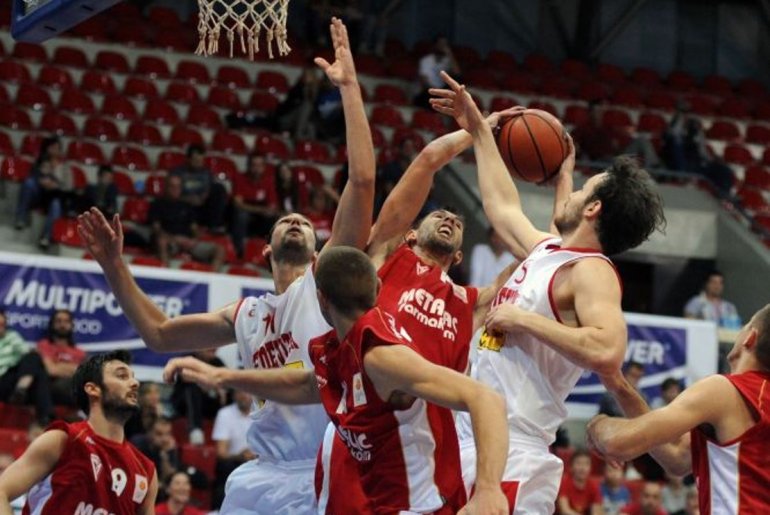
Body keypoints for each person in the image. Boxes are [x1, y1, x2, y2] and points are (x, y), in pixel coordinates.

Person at [78, 17, 375, 514]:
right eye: (286, 220)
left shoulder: (323, 289)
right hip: (259, 474)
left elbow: (362, 182)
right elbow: (158, 333)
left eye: (305, 221)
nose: (297, 221)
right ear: (266, 249)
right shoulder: (246, 316)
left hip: (324, 467)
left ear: (321, 251)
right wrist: (113, 265)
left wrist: (349, 90)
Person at [429, 71, 666, 513]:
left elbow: (608, 349)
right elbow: (501, 207)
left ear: (593, 208)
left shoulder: (592, 272)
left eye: (582, 190)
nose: (572, 191)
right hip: (468, 431)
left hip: (514, 448)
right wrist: (479, 128)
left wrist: (524, 319)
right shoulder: (548, 250)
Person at [164, 246, 510, 514]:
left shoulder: (382, 356)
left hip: (416, 505)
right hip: (379, 502)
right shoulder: (339, 347)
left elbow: (486, 399)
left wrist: (489, 489)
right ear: (376, 288)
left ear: (321, 300)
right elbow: (304, 385)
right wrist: (223, 375)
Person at [587, 304, 770, 513]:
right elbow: (677, 459)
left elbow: (617, 443)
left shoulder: (723, 391)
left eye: (745, 326)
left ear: (750, 337)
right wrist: (621, 389)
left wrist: (597, 425)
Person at [0, 350, 158, 514]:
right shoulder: (62, 440)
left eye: (133, 376)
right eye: (122, 376)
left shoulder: (146, 471)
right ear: (93, 389)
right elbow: (2, 492)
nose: (135, 383)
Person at [148, 174, 226, 269]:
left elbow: (194, 228)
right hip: (170, 241)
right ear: (166, 187)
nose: (175, 189)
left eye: (178, 186)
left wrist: (193, 240)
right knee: (161, 241)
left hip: (187, 242)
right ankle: (165, 275)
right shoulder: (157, 204)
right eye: (172, 186)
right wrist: (174, 239)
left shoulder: (187, 206)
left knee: (220, 250)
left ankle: (212, 279)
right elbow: (156, 229)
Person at [0, 309, 52, 425]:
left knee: (34, 357)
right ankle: (46, 417)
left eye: (3, 325)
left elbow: (25, 351)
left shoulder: (12, 336)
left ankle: (21, 389)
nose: (1, 328)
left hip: (12, 380)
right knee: (39, 374)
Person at [171, 349, 226, 445]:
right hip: (184, 403)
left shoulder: (217, 362)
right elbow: (186, 376)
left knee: (230, 392)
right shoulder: (187, 359)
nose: (213, 350)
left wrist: (220, 389)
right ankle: (195, 428)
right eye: (209, 349)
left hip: (206, 402)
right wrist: (209, 383)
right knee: (192, 389)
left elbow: (226, 379)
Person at [211, 390, 255, 509]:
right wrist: (240, 455)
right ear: (234, 395)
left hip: (259, 463)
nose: (244, 396)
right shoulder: (225, 414)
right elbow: (221, 452)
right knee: (224, 467)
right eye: (240, 392)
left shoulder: (262, 413)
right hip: (234, 464)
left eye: (247, 391)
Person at [170, 144, 228, 232]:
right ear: (188, 159)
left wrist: (202, 198)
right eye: (196, 160)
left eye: (201, 161)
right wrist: (187, 199)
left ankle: (215, 225)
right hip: (184, 206)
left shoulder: (206, 173)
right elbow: (171, 194)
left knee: (219, 188)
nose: (199, 163)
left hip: (201, 206)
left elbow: (209, 191)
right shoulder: (178, 173)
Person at [231, 153, 279, 257]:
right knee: (241, 216)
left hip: (260, 217)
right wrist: (260, 210)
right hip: (244, 215)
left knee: (276, 219)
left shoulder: (268, 181)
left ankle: (271, 253)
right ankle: (239, 251)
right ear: (249, 166)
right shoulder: (240, 178)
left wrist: (265, 211)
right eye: (254, 165)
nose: (257, 169)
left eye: (260, 165)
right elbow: (238, 204)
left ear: (264, 167)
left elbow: (272, 206)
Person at [36, 309, 86, 406]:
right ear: (52, 324)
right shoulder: (44, 345)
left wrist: (59, 365)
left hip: (73, 390)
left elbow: (82, 375)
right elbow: (51, 370)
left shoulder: (80, 352)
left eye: (66, 321)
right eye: (58, 321)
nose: (62, 325)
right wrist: (72, 368)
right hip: (52, 389)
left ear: (72, 325)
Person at [414, 36, 460, 109]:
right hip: (426, 92)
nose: (442, 47)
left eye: (444, 45)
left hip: (440, 93)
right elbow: (424, 82)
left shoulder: (447, 61)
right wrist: (436, 92)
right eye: (440, 44)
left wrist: (450, 54)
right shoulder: (426, 60)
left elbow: (457, 73)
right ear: (435, 45)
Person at [131, 416, 180, 484]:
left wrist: (164, 455)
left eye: (168, 434)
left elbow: (169, 479)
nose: (164, 439)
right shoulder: (138, 444)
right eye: (159, 434)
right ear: (149, 433)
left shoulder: (169, 447)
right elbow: (138, 475)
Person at [557, 450, 603, 515]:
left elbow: (596, 512)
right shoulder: (564, 482)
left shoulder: (593, 486)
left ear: (591, 467)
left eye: (586, 464)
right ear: (571, 466)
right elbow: (564, 510)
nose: (582, 468)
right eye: (578, 463)